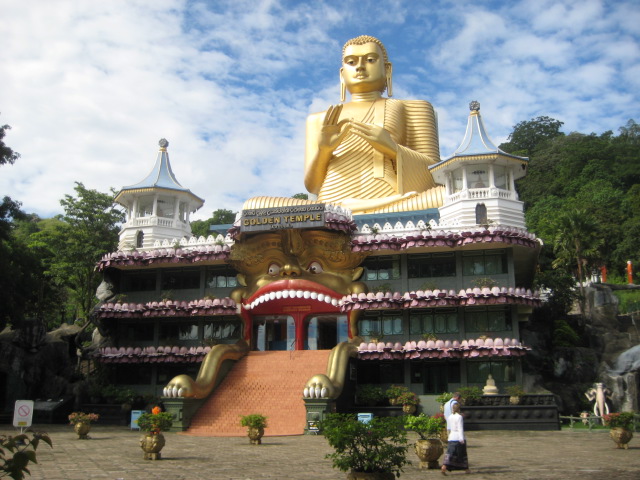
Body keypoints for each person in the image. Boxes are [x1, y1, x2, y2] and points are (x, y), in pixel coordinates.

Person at [243, 35, 444, 213]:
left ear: (387, 69)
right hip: (331, 205)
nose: (360, 67)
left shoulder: (412, 107)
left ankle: (352, 213)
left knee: (444, 196)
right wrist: (324, 150)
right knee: (254, 206)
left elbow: (433, 176)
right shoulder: (319, 119)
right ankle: (346, 213)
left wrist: (392, 148)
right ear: (342, 73)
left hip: (391, 201)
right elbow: (313, 186)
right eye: (351, 61)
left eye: (371, 60)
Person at [441, 402, 470, 475]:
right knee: (462, 454)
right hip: (458, 437)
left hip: (451, 436)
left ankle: (444, 467)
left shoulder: (450, 416)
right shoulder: (459, 417)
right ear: (459, 409)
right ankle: (466, 469)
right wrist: (461, 438)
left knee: (450, 453)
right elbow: (460, 428)